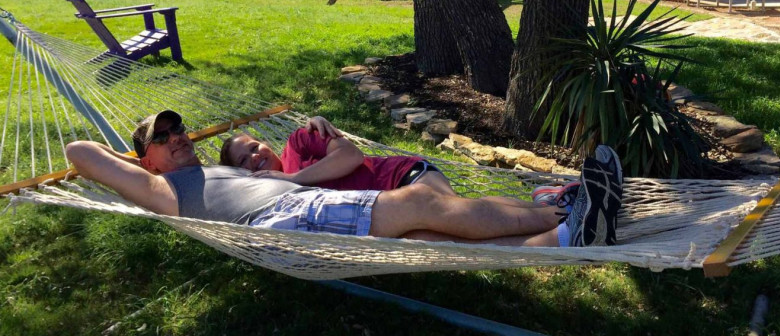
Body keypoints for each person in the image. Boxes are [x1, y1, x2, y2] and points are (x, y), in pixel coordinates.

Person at [66, 110, 624, 248]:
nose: (179, 137)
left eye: (179, 129)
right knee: (418, 207)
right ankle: (567, 216)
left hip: (299, 208)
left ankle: (563, 239)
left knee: (426, 241)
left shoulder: (210, 169)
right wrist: (135, 161)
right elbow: (79, 150)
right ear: (147, 161)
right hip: (283, 219)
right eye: (164, 139)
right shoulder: (160, 189)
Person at [219, 117, 573, 211]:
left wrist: (295, 178)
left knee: (461, 212)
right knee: (463, 215)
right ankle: (546, 204)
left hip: (404, 176)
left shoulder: (299, 141)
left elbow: (351, 155)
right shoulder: (268, 195)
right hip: (393, 207)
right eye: (244, 159)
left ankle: (550, 205)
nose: (254, 155)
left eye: (254, 145)